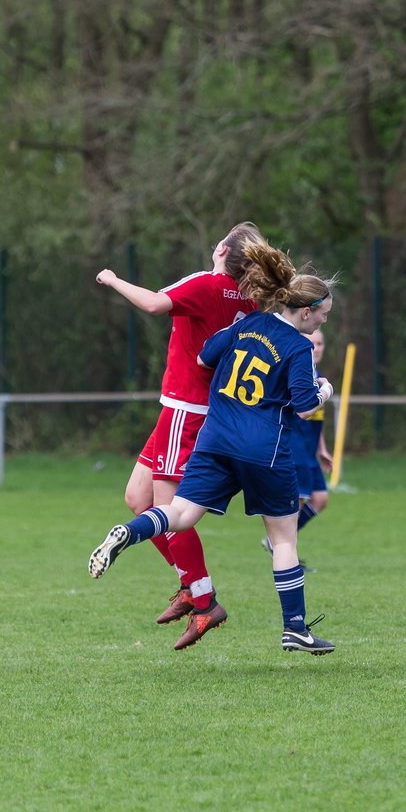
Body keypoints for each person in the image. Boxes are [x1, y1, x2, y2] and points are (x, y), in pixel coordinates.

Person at [89, 239, 337, 654]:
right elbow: (305, 406)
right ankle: (294, 627)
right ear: (306, 311)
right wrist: (324, 389)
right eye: (323, 317)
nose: (322, 326)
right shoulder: (297, 346)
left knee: (180, 514)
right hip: (263, 449)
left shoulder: (246, 325)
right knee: (284, 540)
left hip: (217, 438)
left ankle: (128, 534)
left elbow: (205, 356)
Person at [94, 223, 260, 630]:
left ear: (221, 248)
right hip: (186, 409)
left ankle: (202, 599)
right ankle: (193, 587)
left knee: (170, 511)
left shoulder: (206, 283)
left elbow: (153, 304)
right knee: (138, 498)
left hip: (187, 410)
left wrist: (113, 279)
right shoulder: (250, 301)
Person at [262, 328, 333, 563]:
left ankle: (277, 543)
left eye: (321, 344)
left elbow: (314, 417)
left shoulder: (316, 373)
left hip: (310, 451)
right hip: (295, 449)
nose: (317, 348)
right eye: (312, 343)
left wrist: (321, 448)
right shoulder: (297, 373)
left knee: (320, 499)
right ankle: (284, 552)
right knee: (295, 507)